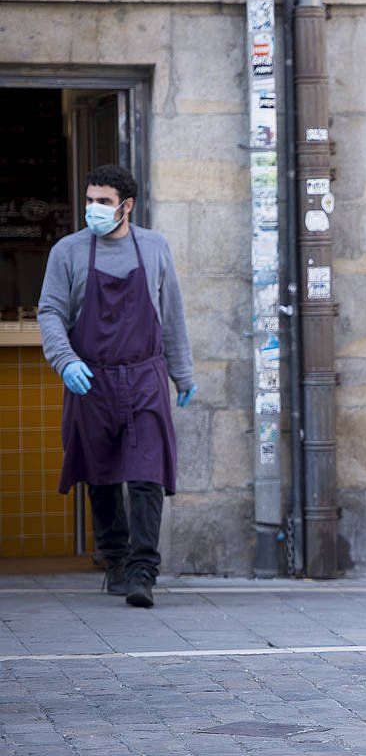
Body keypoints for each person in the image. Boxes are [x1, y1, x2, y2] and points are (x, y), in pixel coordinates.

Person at [37, 164, 194, 609]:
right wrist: (65, 360)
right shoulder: (67, 252)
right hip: (92, 381)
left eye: (103, 202)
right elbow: (49, 311)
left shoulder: (155, 247)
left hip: (144, 377)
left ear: (127, 206)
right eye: (89, 201)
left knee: (146, 475)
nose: (93, 209)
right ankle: (117, 562)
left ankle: (144, 569)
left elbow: (173, 314)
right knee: (101, 476)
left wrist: (182, 373)